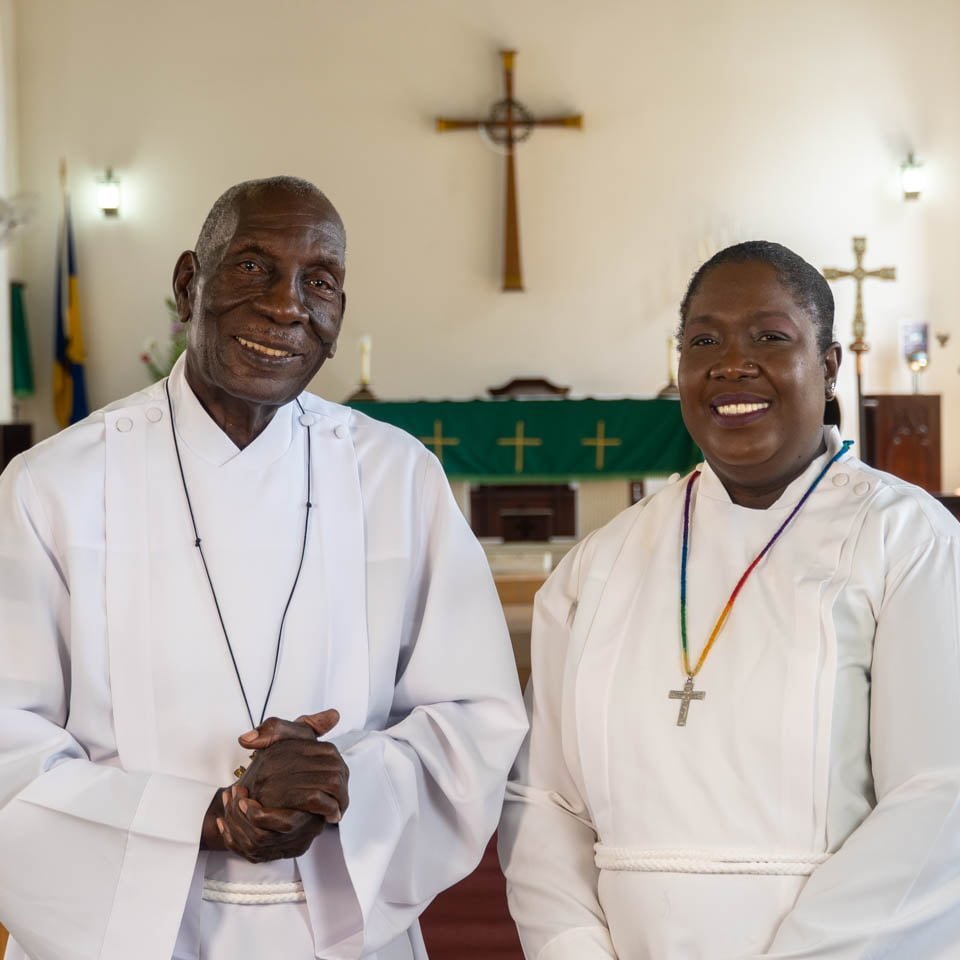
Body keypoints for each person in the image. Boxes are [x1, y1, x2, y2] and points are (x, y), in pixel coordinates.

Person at [0, 176, 527, 960]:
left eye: (320, 282)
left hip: (344, 930)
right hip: (126, 932)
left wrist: (342, 782)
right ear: (188, 284)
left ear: (339, 315)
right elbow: (10, 740)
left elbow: (475, 716)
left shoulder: (397, 477)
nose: (287, 306)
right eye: (252, 268)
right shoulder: (57, 485)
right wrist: (210, 817)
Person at [498, 241, 960, 958]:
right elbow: (542, 801)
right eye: (703, 341)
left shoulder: (906, 539)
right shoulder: (602, 564)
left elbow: (940, 796)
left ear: (829, 365)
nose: (731, 364)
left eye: (770, 338)